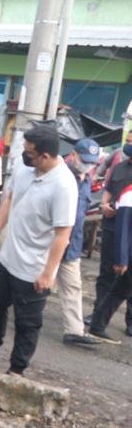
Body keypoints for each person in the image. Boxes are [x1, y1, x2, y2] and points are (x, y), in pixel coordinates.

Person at [0, 124, 77, 375]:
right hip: (9, 258)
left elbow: (62, 235)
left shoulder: (63, 185)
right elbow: (11, 199)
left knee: (27, 322)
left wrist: (47, 274)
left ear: (45, 156)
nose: (24, 156)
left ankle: (16, 370)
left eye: (29, 153)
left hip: (34, 268)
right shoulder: (26, 168)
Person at [56, 139, 102, 347]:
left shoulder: (86, 180)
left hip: (72, 244)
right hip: (52, 240)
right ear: (73, 155)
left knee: (73, 286)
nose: (88, 165)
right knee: (30, 280)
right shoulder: (59, 175)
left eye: (92, 162)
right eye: (85, 160)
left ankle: (74, 331)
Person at [89, 144, 132, 338]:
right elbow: (107, 190)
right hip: (114, 229)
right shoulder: (119, 168)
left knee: (125, 285)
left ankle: (113, 321)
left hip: (125, 233)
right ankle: (97, 318)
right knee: (109, 275)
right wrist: (105, 204)